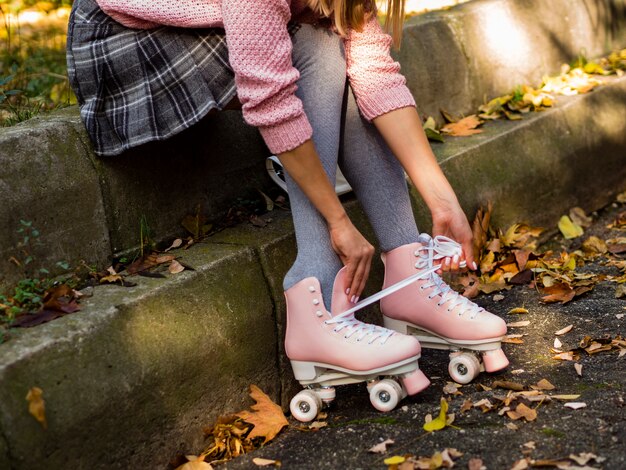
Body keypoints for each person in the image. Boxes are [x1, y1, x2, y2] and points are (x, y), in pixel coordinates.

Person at [66, 0, 508, 417]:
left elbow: (377, 74)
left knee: (338, 41)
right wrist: (337, 218)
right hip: (125, 38)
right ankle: (313, 289)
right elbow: (271, 101)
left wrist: (440, 196)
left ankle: (408, 278)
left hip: (217, 21)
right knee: (316, 44)